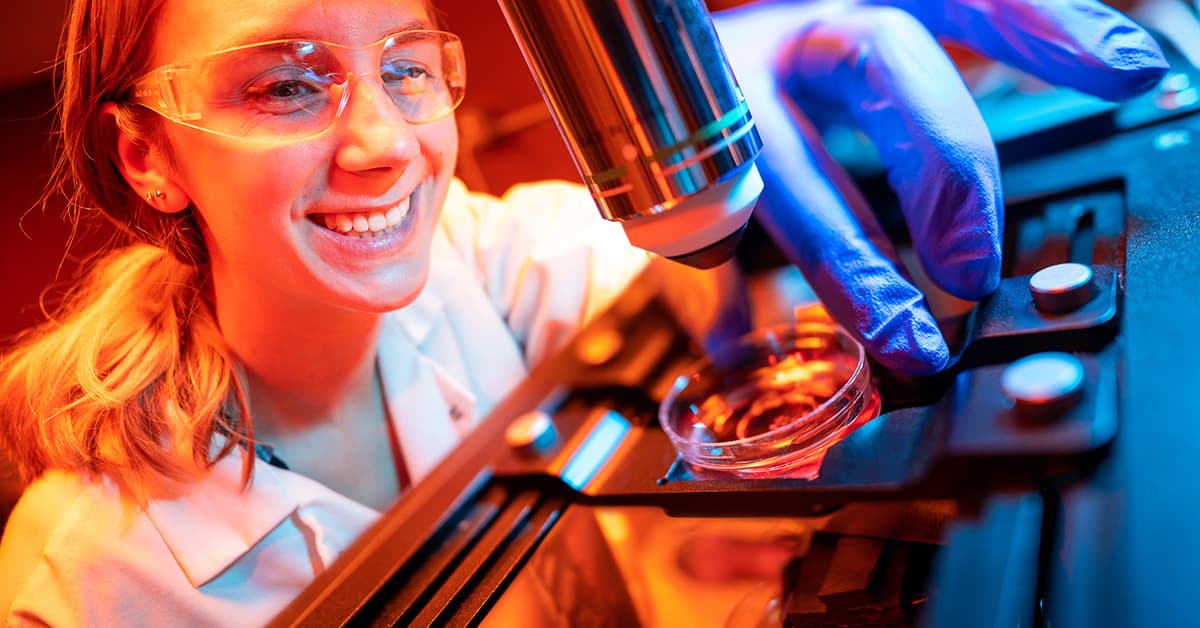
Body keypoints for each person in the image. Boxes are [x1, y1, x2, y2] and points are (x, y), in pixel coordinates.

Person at [0, 0, 1166, 624]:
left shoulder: (476, 256)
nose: (384, 144)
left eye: (406, 67)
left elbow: (710, 284)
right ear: (147, 154)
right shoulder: (87, 577)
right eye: (285, 84)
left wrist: (721, 115)